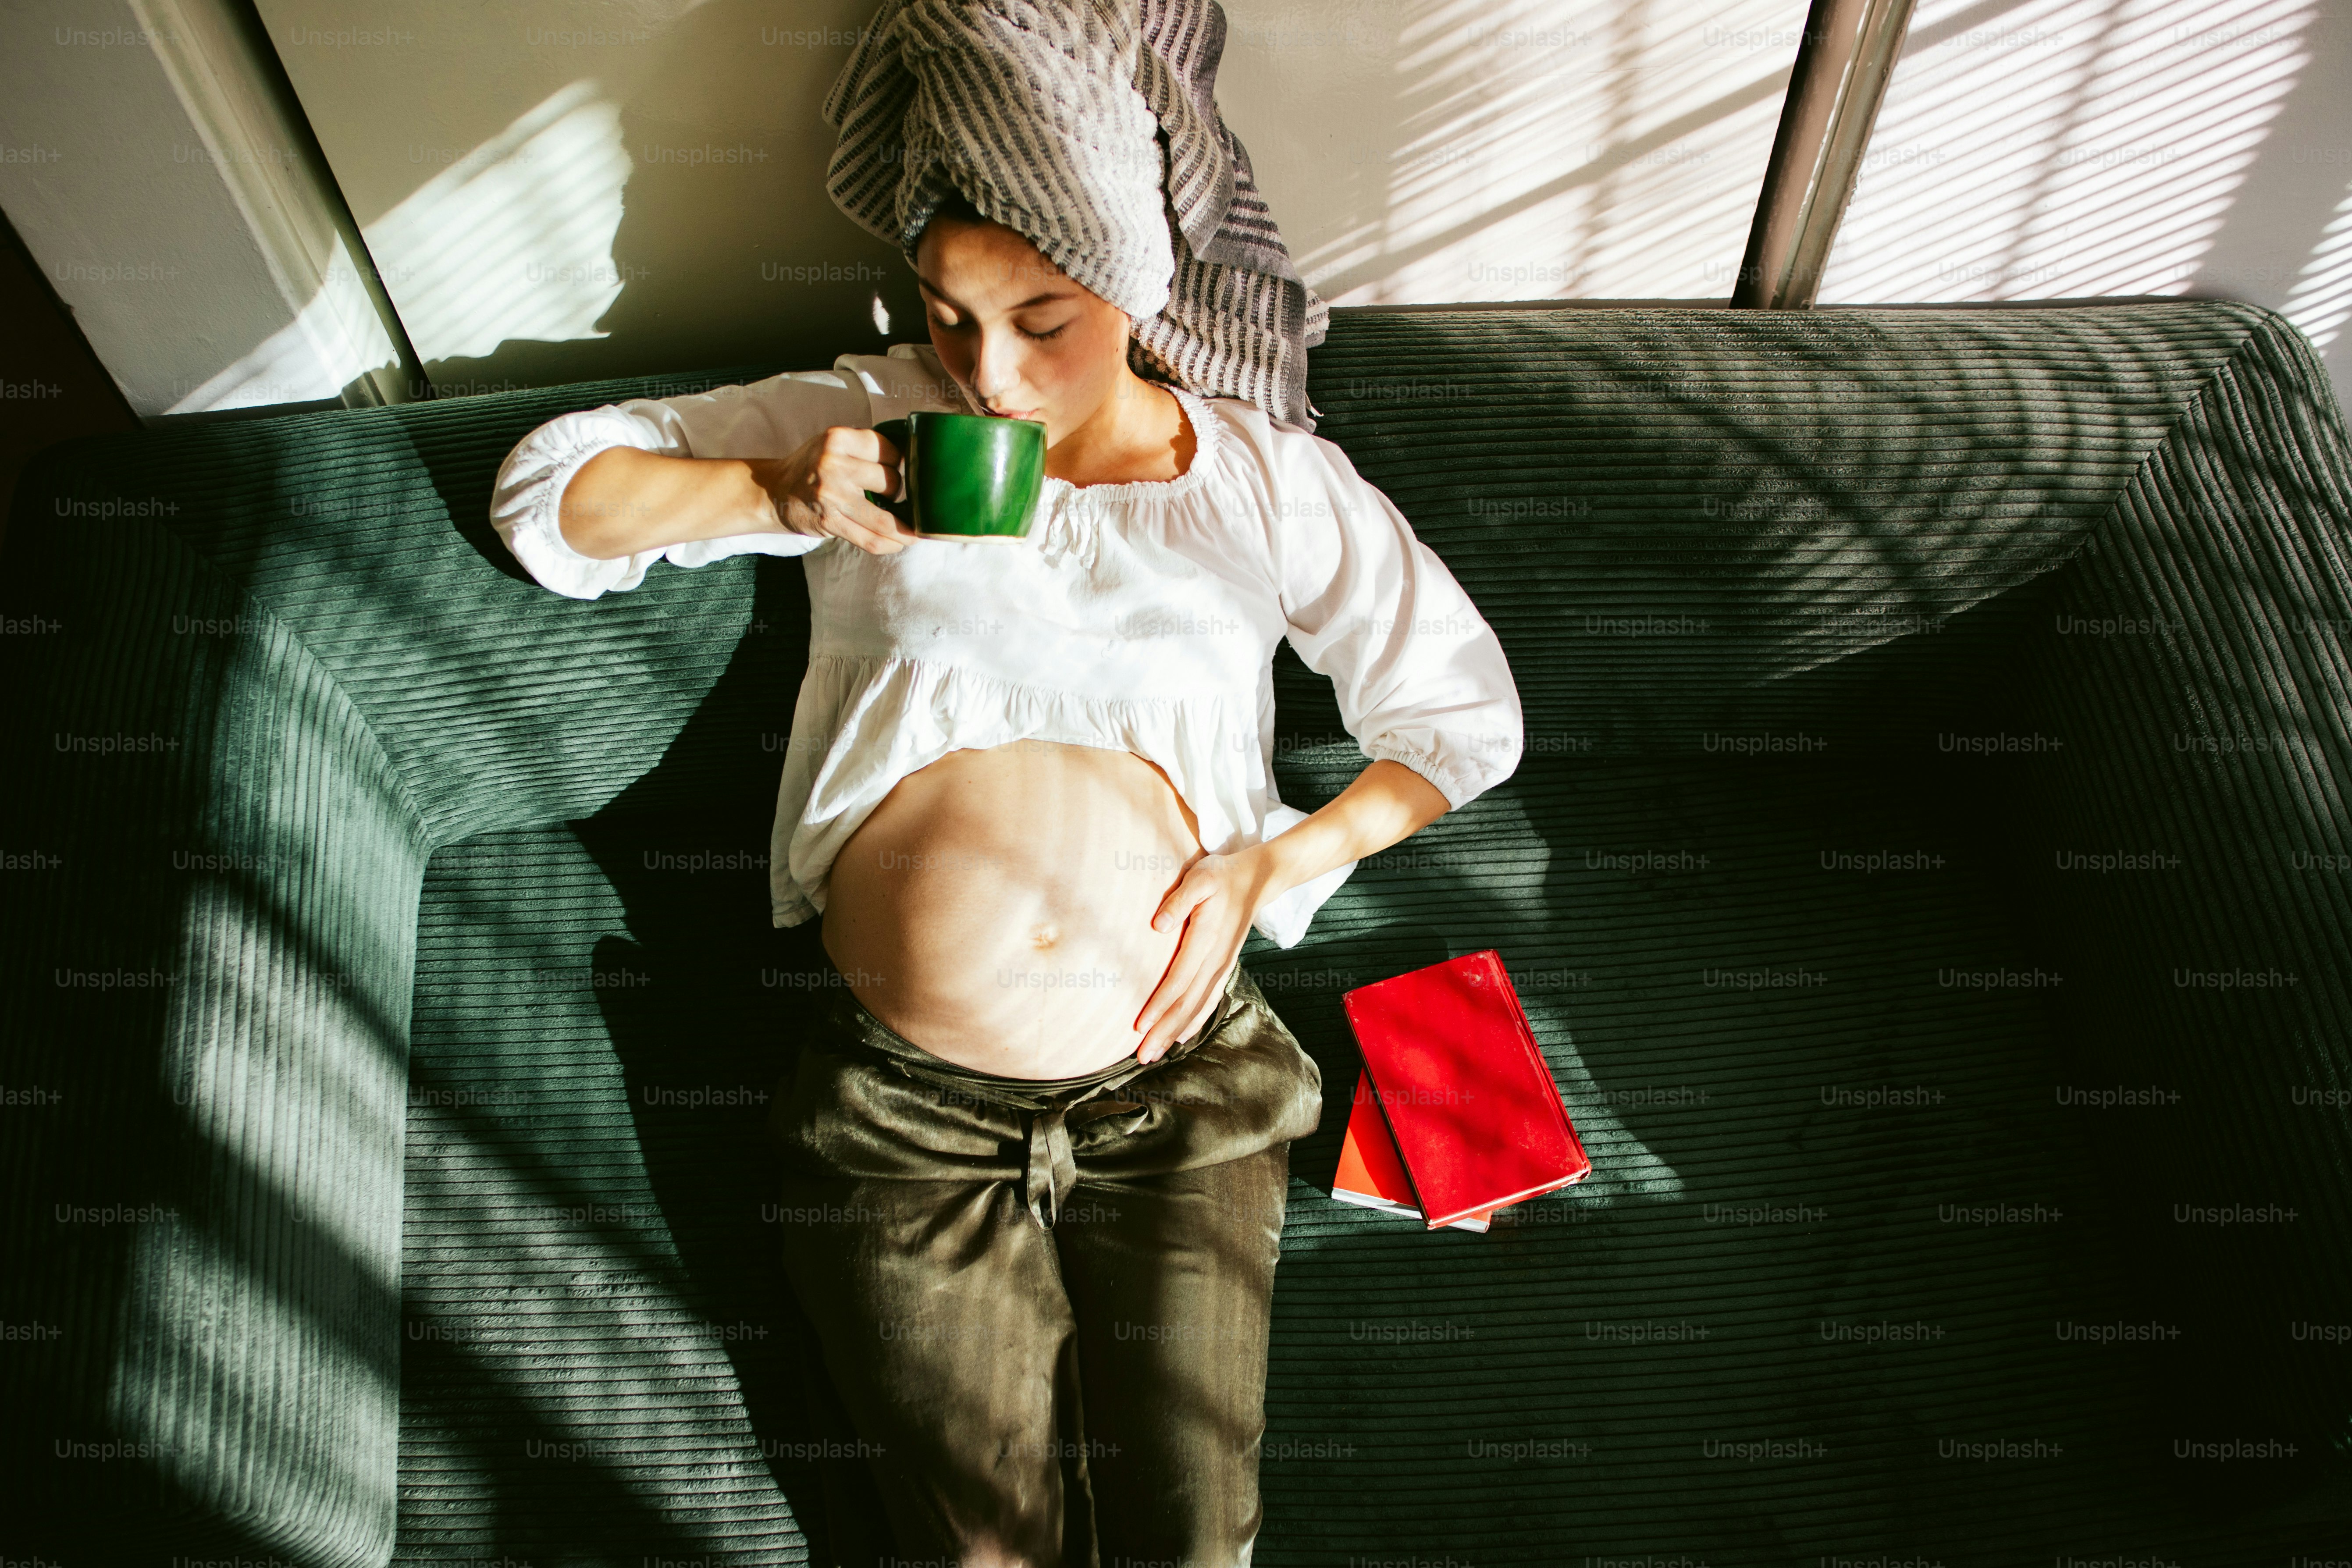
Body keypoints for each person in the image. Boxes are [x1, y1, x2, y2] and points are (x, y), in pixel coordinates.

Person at [487, 5, 1522, 1562]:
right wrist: (775, 487)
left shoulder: (1258, 477)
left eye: (1044, 315)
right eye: (948, 312)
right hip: (901, 1106)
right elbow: (549, 502)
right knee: (976, 1551)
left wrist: (1282, 862)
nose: (991, 373)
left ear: (1140, 275)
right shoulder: (872, 431)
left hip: (1183, 1087)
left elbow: (1461, 716)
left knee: (1195, 1536)